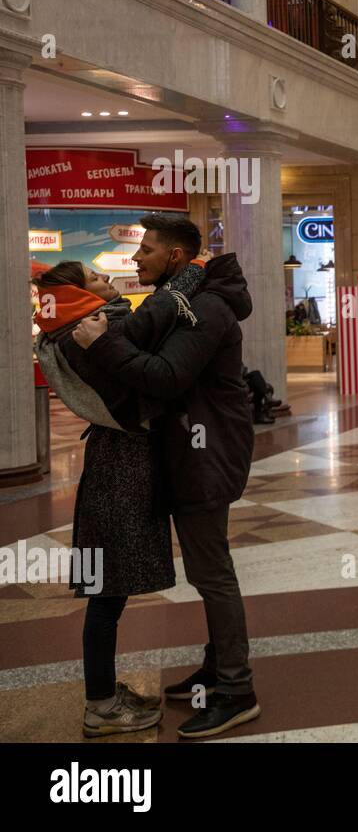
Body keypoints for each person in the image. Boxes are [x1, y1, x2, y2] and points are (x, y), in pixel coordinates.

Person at [73, 214, 258, 739]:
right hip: (185, 450)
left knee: (212, 572)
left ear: (175, 257)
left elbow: (168, 375)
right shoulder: (180, 302)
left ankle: (237, 689)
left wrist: (101, 344)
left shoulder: (206, 306)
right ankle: (216, 667)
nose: (136, 259)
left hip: (206, 453)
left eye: (147, 250)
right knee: (207, 571)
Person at [33, 258, 204, 737]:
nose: (108, 281)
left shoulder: (62, 333)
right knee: (107, 596)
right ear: (76, 294)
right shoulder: (90, 330)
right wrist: (195, 270)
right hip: (119, 471)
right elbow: (154, 315)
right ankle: (101, 707)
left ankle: (103, 694)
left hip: (110, 465)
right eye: (95, 278)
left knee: (107, 592)